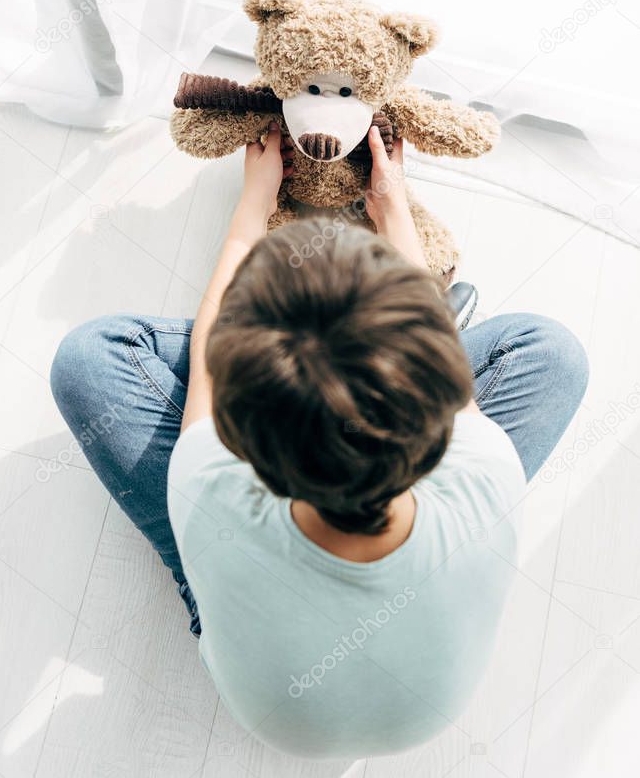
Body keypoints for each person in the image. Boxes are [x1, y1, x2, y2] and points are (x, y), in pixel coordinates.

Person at [51, 124, 588, 758]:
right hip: (421, 717)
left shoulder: (212, 482)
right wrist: (392, 207)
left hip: (266, 697)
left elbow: (210, 357)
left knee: (89, 358)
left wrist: (251, 212)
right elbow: (441, 366)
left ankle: (315, 360)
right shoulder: (483, 473)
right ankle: (357, 357)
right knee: (553, 352)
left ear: (248, 446)